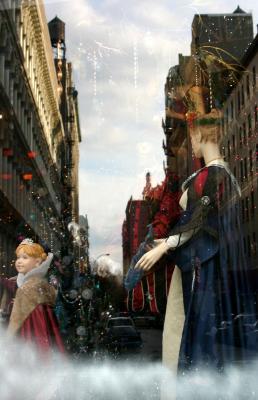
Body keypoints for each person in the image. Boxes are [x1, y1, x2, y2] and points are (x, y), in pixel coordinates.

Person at [135, 108, 257, 373]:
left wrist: (165, 246)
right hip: (205, 262)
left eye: (191, 138)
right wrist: (164, 243)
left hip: (202, 266)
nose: (191, 145)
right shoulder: (223, 176)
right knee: (196, 334)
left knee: (194, 334)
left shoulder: (211, 175)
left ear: (201, 134)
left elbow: (199, 218)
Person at [4, 239, 65, 353]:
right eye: (18, 257)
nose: (19, 261)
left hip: (29, 331)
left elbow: (16, 320)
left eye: (25, 257)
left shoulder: (29, 287)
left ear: (37, 262)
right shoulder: (38, 283)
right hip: (37, 331)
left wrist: (6, 339)